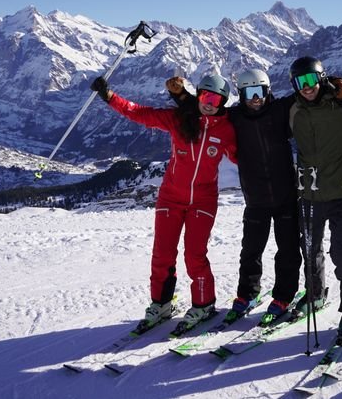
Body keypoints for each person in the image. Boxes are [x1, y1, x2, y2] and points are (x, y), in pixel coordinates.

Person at [90, 73, 237, 330]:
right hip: (170, 197)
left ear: (223, 102)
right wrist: (110, 97)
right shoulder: (178, 118)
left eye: (215, 98)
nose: (209, 102)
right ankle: (161, 303)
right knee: (162, 254)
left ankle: (204, 305)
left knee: (195, 254)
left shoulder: (226, 129)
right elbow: (141, 114)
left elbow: (243, 156)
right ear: (198, 95)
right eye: (205, 95)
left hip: (203, 200)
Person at [166, 69, 302, 325]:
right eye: (249, 93)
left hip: (286, 195)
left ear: (268, 91)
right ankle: (247, 294)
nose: (255, 99)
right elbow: (206, 107)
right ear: (240, 94)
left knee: (288, 250)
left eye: (260, 92)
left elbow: (307, 95)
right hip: (256, 197)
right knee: (250, 251)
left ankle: (284, 296)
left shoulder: (280, 110)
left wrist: (334, 87)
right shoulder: (235, 117)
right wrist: (181, 95)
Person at [288, 56, 342, 336]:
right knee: (310, 249)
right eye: (300, 82)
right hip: (309, 194)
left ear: (322, 79)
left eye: (311, 80)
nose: (307, 87)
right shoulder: (294, 109)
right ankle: (315, 294)